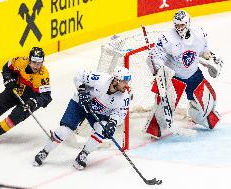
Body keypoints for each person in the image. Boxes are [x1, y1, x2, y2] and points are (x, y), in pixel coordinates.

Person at [144, 10, 223, 138]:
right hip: (174, 77)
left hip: (193, 74)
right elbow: (156, 55)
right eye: (177, 25)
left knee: (208, 108)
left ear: (188, 23)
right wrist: (158, 69)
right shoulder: (167, 38)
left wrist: (211, 58)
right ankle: (156, 124)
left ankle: (197, 115)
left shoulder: (199, 34)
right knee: (163, 112)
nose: (179, 28)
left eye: (182, 25)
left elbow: (204, 51)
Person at [34, 66, 131, 169]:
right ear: (116, 80)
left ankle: (84, 154)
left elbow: (120, 113)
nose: (126, 85)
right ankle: (44, 151)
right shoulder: (100, 79)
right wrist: (82, 91)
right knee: (64, 131)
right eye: (124, 82)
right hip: (79, 104)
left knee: (102, 130)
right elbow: (79, 75)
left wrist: (113, 123)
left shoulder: (124, 97)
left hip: (98, 112)